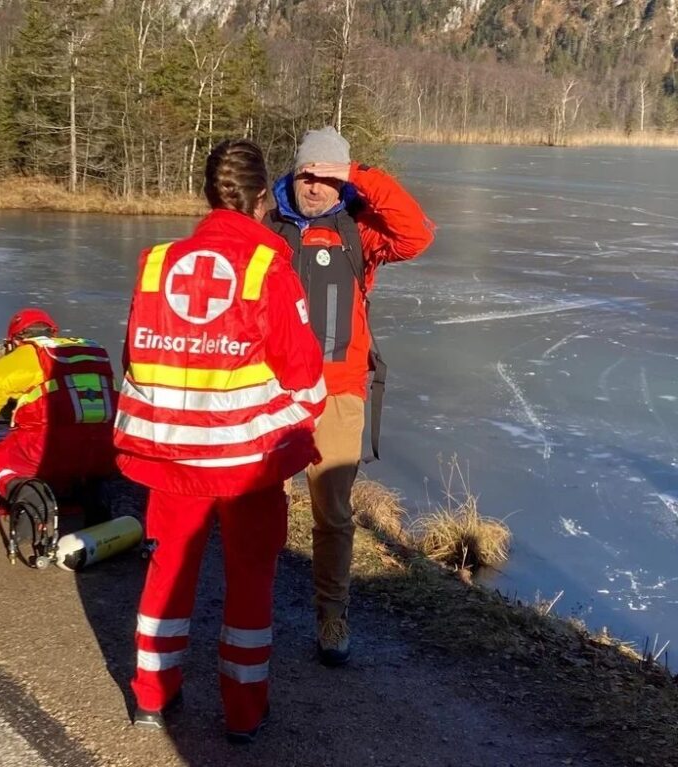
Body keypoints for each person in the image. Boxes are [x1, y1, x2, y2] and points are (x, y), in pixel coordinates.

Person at [115, 138, 326, 744]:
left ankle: (151, 697)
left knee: (168, 571)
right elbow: (303, 373)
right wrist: (297, 424)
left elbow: (134, 355)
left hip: (170, 456)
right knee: (251, 579)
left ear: (208, 195)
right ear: (262, 200)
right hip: (244, 464)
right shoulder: (268, 268)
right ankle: (242, 712)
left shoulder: (156, 263)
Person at [266, 126, 435, 667]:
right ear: (294, 174)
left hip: (338, 390)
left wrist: (357, 174)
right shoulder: (268, 229)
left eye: (326, 177)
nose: (315, 186)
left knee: (333, 512)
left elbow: (416, 235)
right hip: (271, 389)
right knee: (260, 502)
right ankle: (253, 603)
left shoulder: (359, 231)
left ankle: (332, 615)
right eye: (307, 175)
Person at [0, 309, 118, 499]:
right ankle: (94, 490)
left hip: (47, 451)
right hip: (104, 450)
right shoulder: (90, 351)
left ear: (15, 341)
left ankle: (28, 494)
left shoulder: (22, 357)